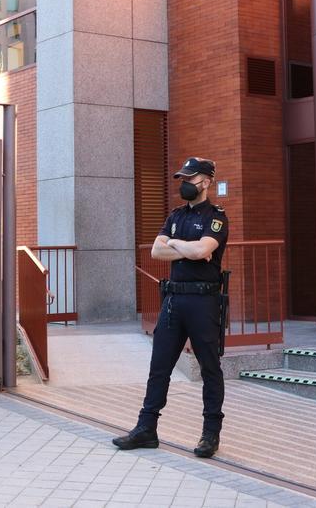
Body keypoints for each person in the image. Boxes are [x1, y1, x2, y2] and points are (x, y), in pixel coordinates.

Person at [113, 157, 229, 459]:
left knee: (209, 368)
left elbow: (203, 250)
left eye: (189, 178)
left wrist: (175, 244)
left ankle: (210, 434)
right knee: (159, 367)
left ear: (205, 181)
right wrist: (185, 247)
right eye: (183, 177)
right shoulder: (176, 215)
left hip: (203, 302)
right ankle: (146, 429)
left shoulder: (216, 218)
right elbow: (155, 251)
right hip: (174, 301)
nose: (184, 183)